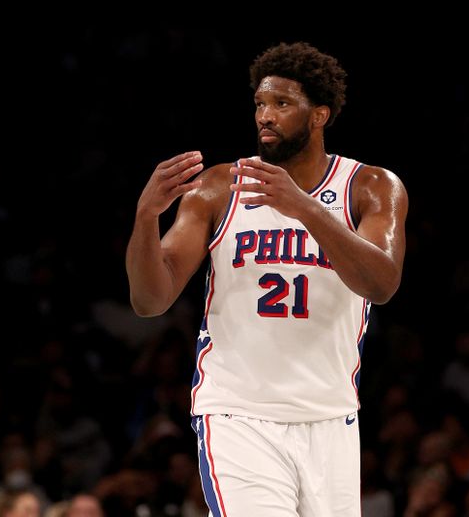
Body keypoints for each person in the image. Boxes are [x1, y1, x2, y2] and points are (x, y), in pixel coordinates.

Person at [126, 41, 408, 516]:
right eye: (260, 103)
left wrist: (303, 207)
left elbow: (381, 285)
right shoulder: (218, 187)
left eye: (282, 103)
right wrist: (145, 219)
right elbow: (150, 300)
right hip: (238, 414)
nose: (265, 116)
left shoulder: (371, 186)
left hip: (331, 417)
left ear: (319, 115)